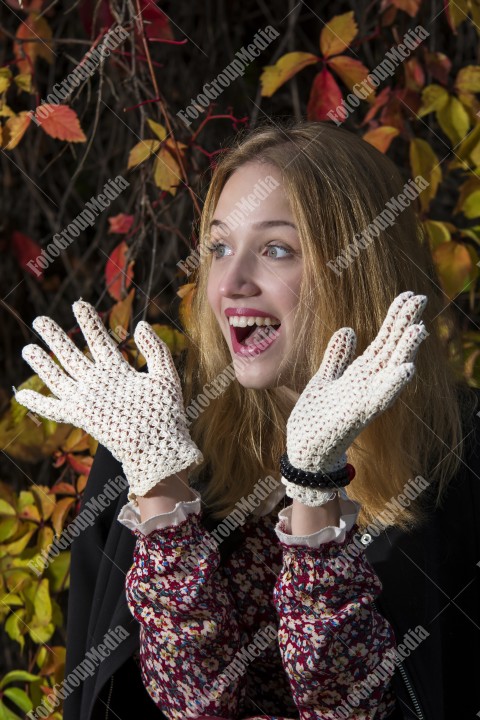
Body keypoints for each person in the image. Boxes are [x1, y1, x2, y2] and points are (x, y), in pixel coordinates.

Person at [15, 120, 480, 720]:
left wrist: (315, 482)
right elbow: (189, 702)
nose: (231, 284)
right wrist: (159, 484)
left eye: (276, 249)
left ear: (358, 264)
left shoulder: (455, 446)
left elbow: (352, 705)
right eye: (219, 247)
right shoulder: (158, 423)